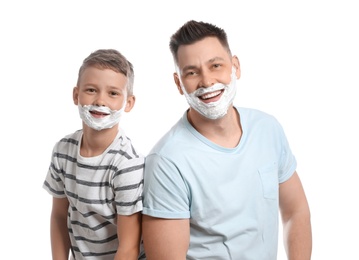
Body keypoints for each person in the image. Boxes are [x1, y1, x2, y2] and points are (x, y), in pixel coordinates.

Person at [142, 20, 312, 260]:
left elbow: (296, 211)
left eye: (216, 66)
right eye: (191, 72)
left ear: (235, 67)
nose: (207, 81)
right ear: (179, 84)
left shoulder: (267, 129)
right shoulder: (167, 161)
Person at [43, 49, 146, 260]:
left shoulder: (127, 164)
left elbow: (129, 246)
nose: (100, 101)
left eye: (113, 93)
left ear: (128, 103)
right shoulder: (63, 151)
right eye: (91, 90)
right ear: (76, 95)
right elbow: (59, 216)